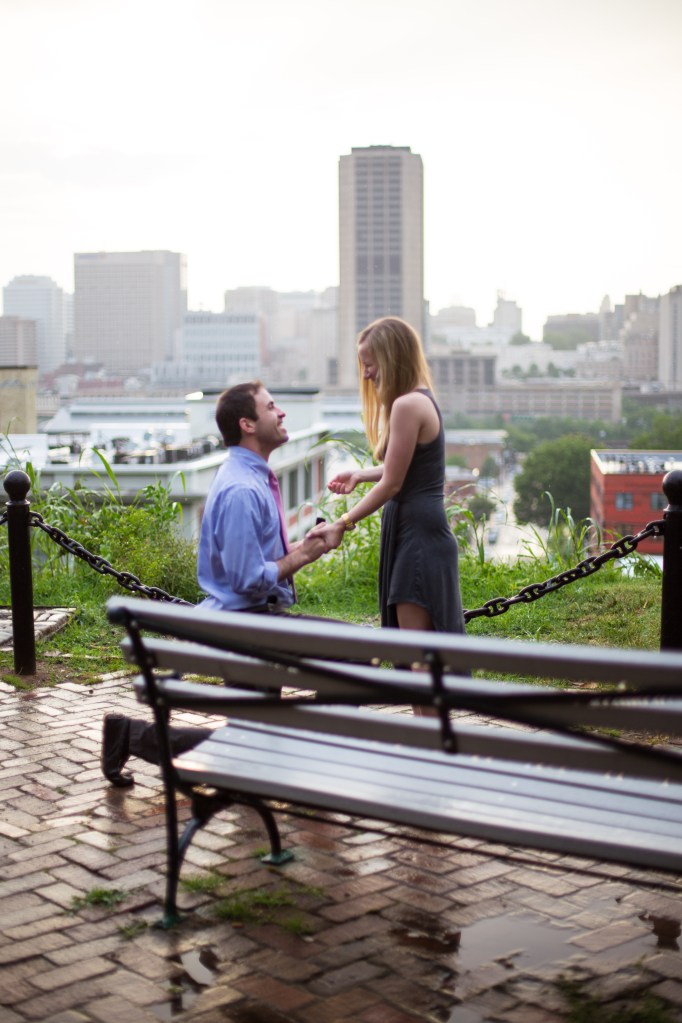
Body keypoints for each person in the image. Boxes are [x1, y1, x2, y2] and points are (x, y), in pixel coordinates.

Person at [102, 381, 331, 786]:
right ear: (247, 423)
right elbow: (246, 580)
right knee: (343, 661)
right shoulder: (243, 488)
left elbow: (254, 562)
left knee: (255, 745)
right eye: (271, 407)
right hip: (245, 627)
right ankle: (132, 736)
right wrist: (304, 555)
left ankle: (130, 736)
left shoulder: (251, 476)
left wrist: (303, 545)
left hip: (252, 623)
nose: (281, 414)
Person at [307, 317, 465, 712]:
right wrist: (361, 474)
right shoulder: (420, 398)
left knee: (418, 663)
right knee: (423, 658)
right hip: (420, 531)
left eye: (370, 362)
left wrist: (342, 524)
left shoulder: (406, 405)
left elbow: (393, 483)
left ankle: (428, 750)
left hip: (418, 539)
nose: (365, 373)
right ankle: (431, 745)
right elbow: (406, 467)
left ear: (392, 358)